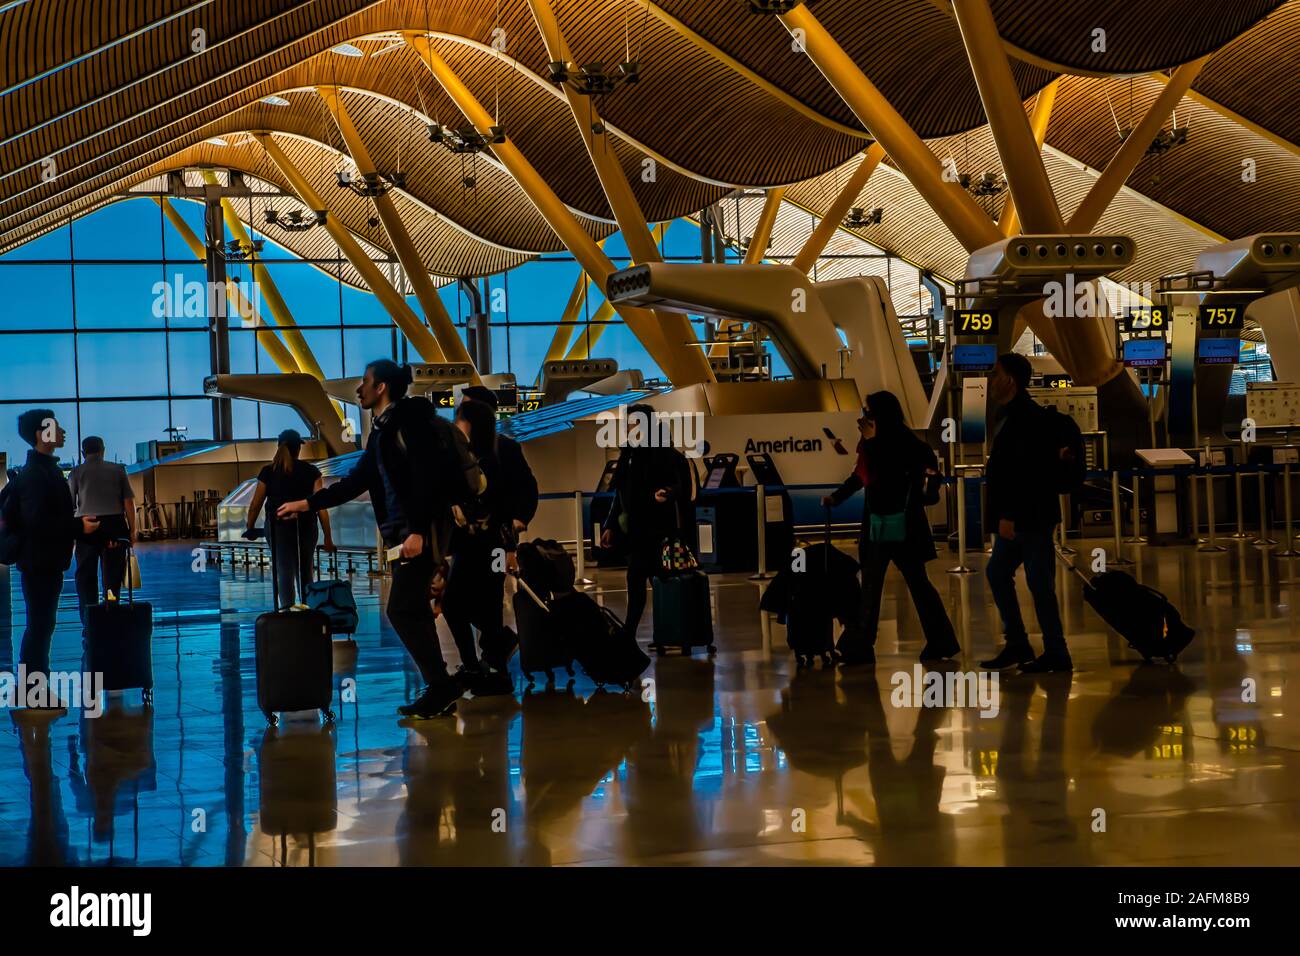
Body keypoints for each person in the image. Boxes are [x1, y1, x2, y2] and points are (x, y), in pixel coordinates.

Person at [277, 360, 483, 719]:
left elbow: (426, 481)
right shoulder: (383, 432)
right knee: (411, 608)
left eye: (365, 382)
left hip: (421, 532)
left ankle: (441, 685)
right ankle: (441, 687)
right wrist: (307, 504)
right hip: (406, 533)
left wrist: (418, 529)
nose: (359, 389)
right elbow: (355, 482)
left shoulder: (410, 425)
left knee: (401, 608)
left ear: (382, 387)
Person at [822, 390, 958, 664]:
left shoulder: (898, 444)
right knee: (899, 585)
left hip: (892, 525)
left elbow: (886, 477)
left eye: (869, 412)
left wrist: (872, 443)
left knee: (891, 585)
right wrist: (837, 497)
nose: (864, 418)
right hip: (895, 525)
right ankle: (937, 641)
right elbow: (861, 477)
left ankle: (863, 645)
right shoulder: (889, 443)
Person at [979, 352, 1072, 674]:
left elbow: (1024, 472)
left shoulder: (1025, 418)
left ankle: (1056, 650)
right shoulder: (1010, 415)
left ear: (1010, 380)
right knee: (1000, 573)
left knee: (1039, 581)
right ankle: (1019, 643)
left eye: (994, 374)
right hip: (1025, 516)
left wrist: (1008, 515)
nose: (990, 381)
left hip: (1029, 518)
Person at [441, 395, 538, 695]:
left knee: (484, 601)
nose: (456, 424)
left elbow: (524, 489)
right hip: (468, 543)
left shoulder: (504, 450)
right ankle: (490, 658)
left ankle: (491, 669)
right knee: (460, 604)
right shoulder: (459, 454)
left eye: (460, 417)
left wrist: (518, 524)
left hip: (494, 543)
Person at [1, 410, 99, 683]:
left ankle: (34, 688)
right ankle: (34, 690)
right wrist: (79, 527)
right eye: (56, 427)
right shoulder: (36, 475)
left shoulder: (44, 470)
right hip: (39, 563)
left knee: (42, 626)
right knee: (39, 627)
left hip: (44, 562)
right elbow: (38, 523)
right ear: (40, 434)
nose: (63, 431)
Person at [599, 405, 696, 640]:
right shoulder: (629, 455)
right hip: (637, 530)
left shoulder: (667, 455)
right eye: (629, 423)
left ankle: (638, 632)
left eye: (635, 423)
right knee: (642, 577)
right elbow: (620, 495)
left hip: (660, 529)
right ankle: (643, 632)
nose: (631, 427)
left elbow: (681, 487)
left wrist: (665, 493)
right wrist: (610, 525)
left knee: (648, 577)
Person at [243, 429, 334, 609]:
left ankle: (287, 613)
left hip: (278, 528)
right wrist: (328, 538)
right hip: (306, 526)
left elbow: (256, 504)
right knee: (305, 571)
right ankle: (308, 612)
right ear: (298, 449)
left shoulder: (268, 472)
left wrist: (250, 527)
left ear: (279, 446)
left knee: (284, 571)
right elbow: (320, 506)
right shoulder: (311, 472)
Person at [68, 436, 137, 622]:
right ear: (103, 450)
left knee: (86, 576)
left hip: (87, 526)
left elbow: (69, 505)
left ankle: (89, 616)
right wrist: (133, 530)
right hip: (115, 527)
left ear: (83, 453)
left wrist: (72, 531)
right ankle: (111, 608)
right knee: (112, 575)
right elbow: (129, 503)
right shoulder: (118, 470)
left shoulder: (75, 472)